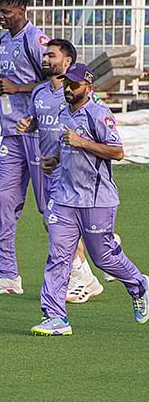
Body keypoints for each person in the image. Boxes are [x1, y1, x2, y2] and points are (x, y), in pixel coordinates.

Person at [31, 63, 149, 336]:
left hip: (97, 199)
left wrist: (81, 142)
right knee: (58, 256)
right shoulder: (64, 112)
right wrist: (54, 160)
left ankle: (138, 284)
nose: (69, 89)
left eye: (74, 85)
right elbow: (66, 145)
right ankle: (55, 317)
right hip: (65, 198)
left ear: (88, 88)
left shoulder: (99, 114)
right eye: (67, 83)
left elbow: (117, 152)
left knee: (102, 257)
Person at [16, 39, 104, 303]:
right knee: (55, 221)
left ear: (67, 61)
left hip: (76, 169)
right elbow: (37, 122)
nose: (45, 59)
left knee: (57, 222)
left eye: (51, 55)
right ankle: (97, 248)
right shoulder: (40, 92)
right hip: (50, 168)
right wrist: (28, 124)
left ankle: (84, 279)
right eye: (45, 55)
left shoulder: (81, 94)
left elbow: (97, 119)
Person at [0, 0, 48, 295]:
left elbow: (55, 82)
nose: (0, 17)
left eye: (6, 12)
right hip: (11, 131)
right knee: (4, 201)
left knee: (50, 206)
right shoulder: (4, 39)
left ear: (22, 10)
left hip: (38, 131)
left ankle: (83, 265)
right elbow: (13, 80)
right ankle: (7, 275)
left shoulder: (36, 40)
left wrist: (17, 88)